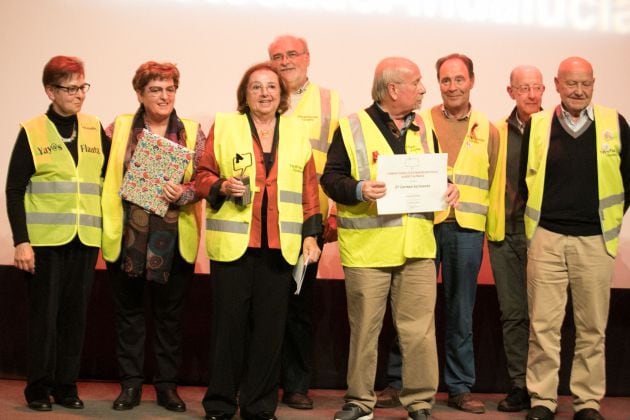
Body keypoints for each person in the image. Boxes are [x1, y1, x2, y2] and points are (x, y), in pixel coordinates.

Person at [321, 56, 459, 420]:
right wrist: (359, 189)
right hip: (369, 250)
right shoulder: (352, 126)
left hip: (416, 247)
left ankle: (418, 403)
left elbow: (431, 175)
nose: (424, 89)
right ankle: (360, 401)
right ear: (393, 88)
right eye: (417, 82)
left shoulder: (423, 127)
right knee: (365, 330)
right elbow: (330, 178)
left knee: (419, 331)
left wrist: (448, 187)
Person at [197, 62, 322, 420]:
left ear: (282, 94)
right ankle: (220, 405)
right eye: (256, 87)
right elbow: (202, 175)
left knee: (270, 332)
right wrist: (220, 185)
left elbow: (308, 189)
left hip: (280, 246)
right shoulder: (225, 126)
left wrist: (311, 235)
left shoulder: (298, 132)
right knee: (228, 330)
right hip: (235, 247)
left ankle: (259, 406)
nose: (264, 93)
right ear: (245, 94)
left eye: (271, 87)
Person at [377, 53, 500, 414]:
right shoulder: (419, 121)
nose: (452, 86)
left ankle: (460, 388)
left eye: (459, 79)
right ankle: (400, 383)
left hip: (466, 230)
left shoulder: (488, 128)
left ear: (472, 81)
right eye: (445, 80)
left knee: (461, 312)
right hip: (423, 226)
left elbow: (492, 183)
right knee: (412, 310)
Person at [521, 57, 630, 420]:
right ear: (556, 84)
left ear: (594, 84)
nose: (579, 90)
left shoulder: (615, 123)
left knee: (592, 328)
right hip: (547, 239)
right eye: (571, 83)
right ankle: (542, 400)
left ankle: (586, 403)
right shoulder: (537, 125)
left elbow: (627, 181)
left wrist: (607, 223)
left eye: (585, 83)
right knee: (543, 326)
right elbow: (526, 180)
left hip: (594, 242)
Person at [5, 55, 109, 411]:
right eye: (70, 88)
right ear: (50, 90)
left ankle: (66, 385)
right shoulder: (33, 131)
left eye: (83, 86)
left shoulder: (95, 128)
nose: (79, 94)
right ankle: (37, 387)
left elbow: (112, 181)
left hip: (84, 240)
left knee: (74, 317)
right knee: (44, 318)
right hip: (45, 243)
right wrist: (22, 241)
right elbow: (14, 189)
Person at [101, 61, 205, 413]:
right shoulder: (117, 130)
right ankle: (130, 386)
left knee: (169, 319)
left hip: (174, 238)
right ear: (140, 94)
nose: (164, 96)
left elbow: (205, 179)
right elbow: (103, 176)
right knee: (129, 315)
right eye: (156, 89)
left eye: (170, 89)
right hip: (127, 236)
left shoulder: (192, 130)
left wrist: (186, 193)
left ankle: (166, 387)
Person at [268, 34, 341, 410]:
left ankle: (296, 385)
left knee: (299, 306)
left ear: (308, 58)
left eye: (291, 54)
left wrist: (331, 214)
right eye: (276, 56)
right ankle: (261, 381)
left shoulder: (330, 101)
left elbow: (340, 162)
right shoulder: (261, 95)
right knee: (265, 305)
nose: (284, 61)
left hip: (309, 221)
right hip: (267, 219)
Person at [485, 65, 545, 412]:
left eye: (536, 88)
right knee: (513, 315)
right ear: (510, 92)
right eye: (524, 88)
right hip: (504, 233)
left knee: (543, 317)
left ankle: (543, 389)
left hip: (542, 236)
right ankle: (520, 385)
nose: (531, 94)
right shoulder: (494, 131)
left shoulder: (552, 130)